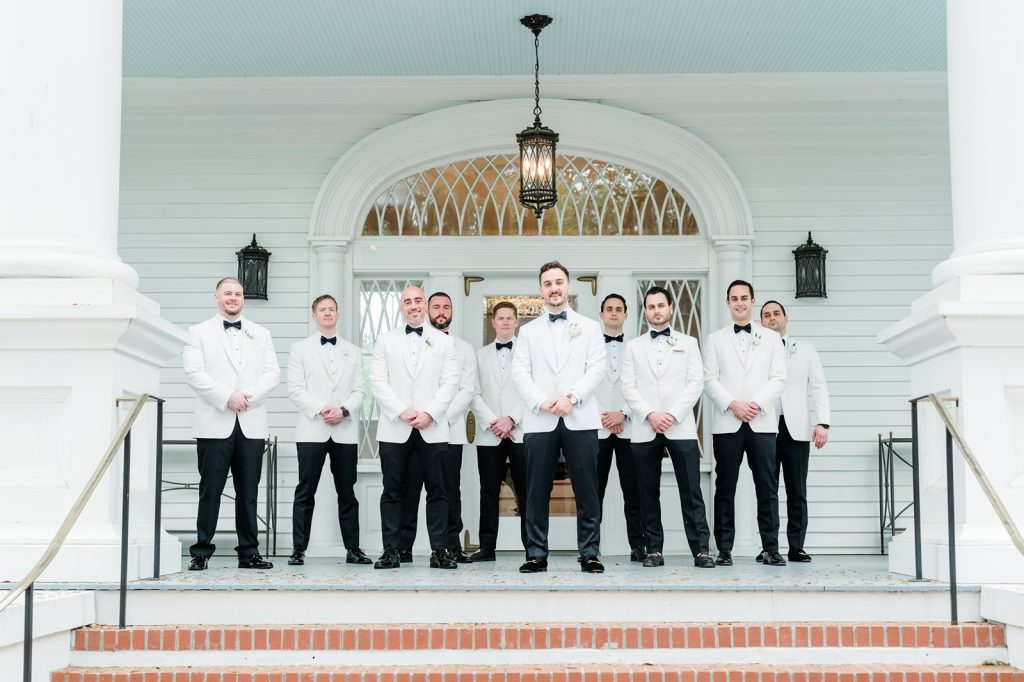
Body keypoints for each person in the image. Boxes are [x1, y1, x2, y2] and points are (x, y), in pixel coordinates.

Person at [511, 261, 607, 574]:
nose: (554, 288)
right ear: (541, 290)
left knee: (587, 490)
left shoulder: (591, 327)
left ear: (568, 287)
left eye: (559, 282)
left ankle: (590, 553)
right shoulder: (527, 332)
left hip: (580, 417)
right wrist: (543, 402)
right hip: (541, 419)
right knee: (536, 491)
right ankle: (536, 553)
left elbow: (596, 369)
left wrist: (571, 398)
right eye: (548, 283)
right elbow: (520, 372)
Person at [182, 277, 280, 570]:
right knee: (210, 490)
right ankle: (201, 551)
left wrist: (246, 397)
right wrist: (227, 397)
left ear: (243, 299)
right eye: (228, 293)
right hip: (214, 422)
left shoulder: (261, 334)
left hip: (251, 421)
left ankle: (249, 552)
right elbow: (194, 373)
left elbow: (272, 373)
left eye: (237, 294)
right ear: (216, 297)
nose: (233, 298)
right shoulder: (197, 332)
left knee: (248, 492)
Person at [367, 285, 460, 569]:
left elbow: (451, 382)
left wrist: (430, 413)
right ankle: (392, 551)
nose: (413, 306)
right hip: (395, 427)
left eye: (418, 300)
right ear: (401, 307)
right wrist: (402, 411)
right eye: (407, 302)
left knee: (438, 491)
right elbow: (377, 381)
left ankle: (440, 550)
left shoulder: (445, 343)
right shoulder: (385, 340)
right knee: (393, 491)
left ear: (425, 305)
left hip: (433, 428)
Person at [621, 286, 713, 568]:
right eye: (651, 306)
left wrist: (671, 415)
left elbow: (695, 383)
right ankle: (654, 550)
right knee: (647, 491)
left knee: (691, 490)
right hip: (644, 427)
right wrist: (650, 414)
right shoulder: (633, 346)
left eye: (661, 305)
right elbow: (628, 385)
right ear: (645, 311)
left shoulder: (689, 342)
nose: (656, 310)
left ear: (670, 308)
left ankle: (701, 550)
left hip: (680, 426)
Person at [703, 279, 787, 566]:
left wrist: (756, 405)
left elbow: (778, 378)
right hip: (727, 423)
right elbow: (709, 379)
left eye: (744, 297)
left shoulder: (772, 338)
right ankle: (724, 550)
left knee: (767, 487)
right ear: (727, 303)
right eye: (734, 298)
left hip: (762, 423)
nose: (739, 302)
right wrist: (732, 404)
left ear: (753, 301)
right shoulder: (714, 339)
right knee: (725, 488)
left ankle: (771, 548)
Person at [285, 294, 371, 567]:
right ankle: (298, 549)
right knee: (305, 491)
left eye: (332, 309)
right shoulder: (299, 349)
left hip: (343, 431)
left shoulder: (354, 351)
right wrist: (323, 409)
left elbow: (359, 391)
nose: (327, 313)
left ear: (338, 314)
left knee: (347, 492)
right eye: (322, 309)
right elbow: (295, 389)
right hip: (312, 429)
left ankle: (353, 549)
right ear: (314, 315)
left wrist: (343, 410)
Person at [399, 291, 479, 563]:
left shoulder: (464, 349)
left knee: (447, 491)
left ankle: (450, 547)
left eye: (446, 306)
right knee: (409, 490)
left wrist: (439, 416)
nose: (441, 311)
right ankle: (403, 547)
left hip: (449, 430)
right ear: (426, 310)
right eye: (436, 307)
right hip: (412, 429)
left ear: (452, 311)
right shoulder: (411, 343)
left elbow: (467, 389)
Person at [759, 300, 831, 563]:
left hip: (797, 428)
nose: (771, 318)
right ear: (761, 321)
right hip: (764, 426)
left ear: (786, 318)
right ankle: (769, 546)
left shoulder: (807, 350)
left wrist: (822, 422)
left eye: (776, 314)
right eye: (766, 315)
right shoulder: (756, 350)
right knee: (767, 490)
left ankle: (796, 546)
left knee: (796, 490)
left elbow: (819, 386)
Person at [469, 301, 528, 561]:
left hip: (521, 431)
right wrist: (495, 421)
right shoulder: (478, 355)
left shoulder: (528, 354)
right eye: (500, 318)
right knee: (488, 491)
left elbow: (531, 391)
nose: (504, 322)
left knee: (527, 491)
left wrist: (512, 419)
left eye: (509, 318)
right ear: (492, 322)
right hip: (489, 433)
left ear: (517, 322)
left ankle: (533, 547)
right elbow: (473, 393)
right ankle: (487, 548)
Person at [594, 293, 647, 562]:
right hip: (598, 427)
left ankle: (639, 546)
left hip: (630, 428)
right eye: (609, 309)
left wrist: (622, 414)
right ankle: (590, 547)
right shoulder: (589, 348)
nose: (614, 313)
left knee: (634, 491)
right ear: (601, 315)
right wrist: (605, 417)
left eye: (619, 309)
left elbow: (642, 386)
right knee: (594, 492)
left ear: (626, 315)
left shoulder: (638, 348)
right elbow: (584, 385)